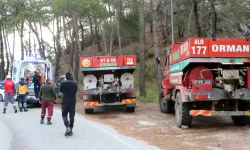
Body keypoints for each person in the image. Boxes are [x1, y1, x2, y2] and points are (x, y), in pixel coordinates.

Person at [60, 72, 77, 136]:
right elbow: (75, 91)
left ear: (66, 77)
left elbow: (61, 90)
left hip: (65, 101)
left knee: (64, 115)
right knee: (72, 115)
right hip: (72, 101)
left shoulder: (63, 83)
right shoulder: (74, 83)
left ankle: (67, 127)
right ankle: (71, 129)